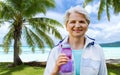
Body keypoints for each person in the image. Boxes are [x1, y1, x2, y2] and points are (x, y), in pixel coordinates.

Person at [44, 5, 108, 75]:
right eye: (73, 22)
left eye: (81, 22)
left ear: (87, 25)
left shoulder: (97, 50)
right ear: (66, 26)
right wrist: (55, 70)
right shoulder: (56, 51)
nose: (77, 26)